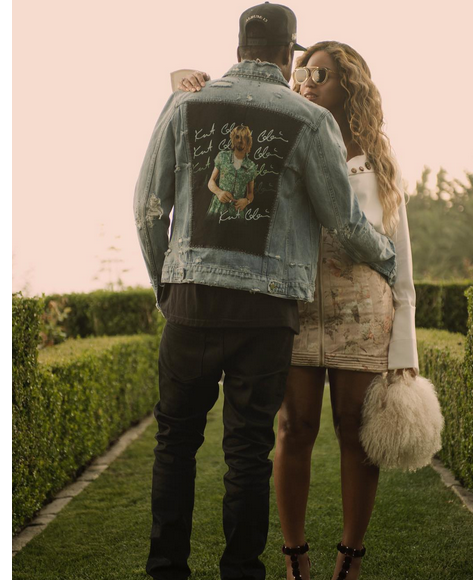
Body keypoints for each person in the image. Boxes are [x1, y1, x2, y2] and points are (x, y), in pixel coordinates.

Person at [133, 3, 397, 579]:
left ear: (237, 50)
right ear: (286, 55)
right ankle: (242, 571)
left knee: (175, 445)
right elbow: (346, 223)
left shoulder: (185, 104)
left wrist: (165, 284)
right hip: (268, 310)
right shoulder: (309, 121)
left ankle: (165, 570)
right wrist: (390, 255)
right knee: (248, 453)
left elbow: (149, 208)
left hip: (191, 302)